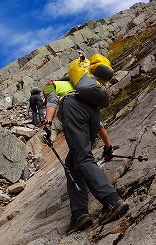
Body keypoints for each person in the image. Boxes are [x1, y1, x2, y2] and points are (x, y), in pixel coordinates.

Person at [42, 59, 128, 234]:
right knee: (73, 165)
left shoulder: (54, 86)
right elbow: (99, 125)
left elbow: (51, 100)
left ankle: (112, 201)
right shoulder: (83, 88)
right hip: (93, 114)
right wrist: (107, 146)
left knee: (83, 158)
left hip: (72, 108)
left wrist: (47, 125)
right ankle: (80, 214)